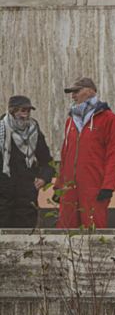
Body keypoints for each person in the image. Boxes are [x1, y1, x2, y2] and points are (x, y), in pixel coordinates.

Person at [55, 77, 115, 230]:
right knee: (65, 232)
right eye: (71, 92)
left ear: (89, 91)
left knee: (94, 231)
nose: (72, 96)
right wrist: (59, 186)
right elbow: (65, 157)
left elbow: (114, 155)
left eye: (76, 91)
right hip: (69, 189)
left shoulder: (108, 118)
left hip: (95, 187)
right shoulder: (70, 121)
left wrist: (109, 186)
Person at [0, 96, 54, 228]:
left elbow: (47, 161)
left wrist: (44, 178)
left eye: (29, 111)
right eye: (23, 110)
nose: (27, 114)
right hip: (3, 191)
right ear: (12, 111)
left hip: (26, 193)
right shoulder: (1, 130)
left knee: (26, 233)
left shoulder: (34, 131)